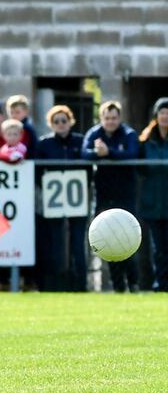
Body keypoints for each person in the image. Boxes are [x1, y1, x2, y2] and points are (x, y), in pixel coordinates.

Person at [83, 100, 140, 293]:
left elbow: (133, 154)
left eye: (114, 117)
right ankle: (118, 287)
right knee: (109, 242)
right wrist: (97, 153)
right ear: (101, 118)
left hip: (126, 196)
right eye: (107, 118)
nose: (110, 121)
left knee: (129, 241)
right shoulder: (94, 133)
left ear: (119, 118)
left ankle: (134, 283)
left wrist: (109, 152)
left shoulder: (129, 134)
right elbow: (84, 153)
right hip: (104, 197)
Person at [35, 105, 87, 292]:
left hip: (77, 200)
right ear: (51, 124)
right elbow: (37, 172)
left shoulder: (81, 141)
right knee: (56, 243)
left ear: (70, 122)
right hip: (54, 201)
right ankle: (57, 285)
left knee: (77, 243)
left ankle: (80, 285)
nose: (60, 124)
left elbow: (88, 166)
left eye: (64, 121)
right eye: (56, 121)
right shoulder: (44, 144)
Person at [138, 98, 168, 292]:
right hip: (153, 202)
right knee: (158, 249)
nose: (165, 116)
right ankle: (161, 284)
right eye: (162, 112)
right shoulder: (145, 142)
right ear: (156, 116)